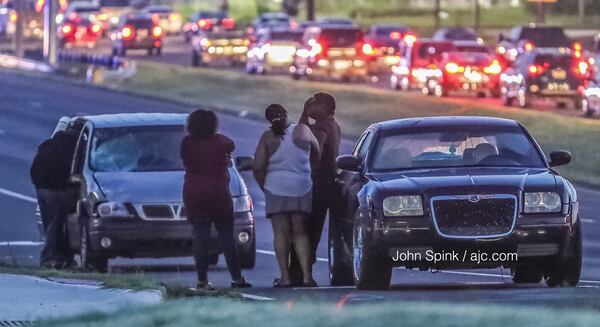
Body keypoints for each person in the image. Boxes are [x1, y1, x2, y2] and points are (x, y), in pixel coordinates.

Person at [181, 109, 252, 290]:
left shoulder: (187, 143)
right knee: (227, 236)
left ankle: (202, 280)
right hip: (218, 193)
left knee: (201, 237)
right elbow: (231, 144)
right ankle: (236, 277)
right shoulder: (220, 142)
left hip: (194, 193)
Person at [252, 104, 321, 287]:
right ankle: (307, 276)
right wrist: (309, 173)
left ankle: (285, 277)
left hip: (275, 188)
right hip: (301, 187)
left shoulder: (267, 137)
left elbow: (258, 166)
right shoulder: (303, 130)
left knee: (281, 234)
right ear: (286, 114)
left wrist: (264, 186)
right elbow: (317, 153)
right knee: (300, 232)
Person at [289, 92, 341, 284]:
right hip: (327, 186)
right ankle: (304, 273)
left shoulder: (321, 129)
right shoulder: (334, 126)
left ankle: (298, 274)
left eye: (313, 104)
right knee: (314, 231)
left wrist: (303, 112)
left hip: (314, 185)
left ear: (324, 107)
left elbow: (301, 139)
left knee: (302, 231)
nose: (310, 108)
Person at [30, 128, 79, 269]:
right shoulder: (65, 151)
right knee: (54, 226)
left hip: (41, 189)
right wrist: (64, 185)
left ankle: (58, 256)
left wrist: (39, 185)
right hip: (54, 191)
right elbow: (67, 170)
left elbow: (34, 169)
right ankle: (48, 257)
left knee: (50, 225)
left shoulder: (46, 147)